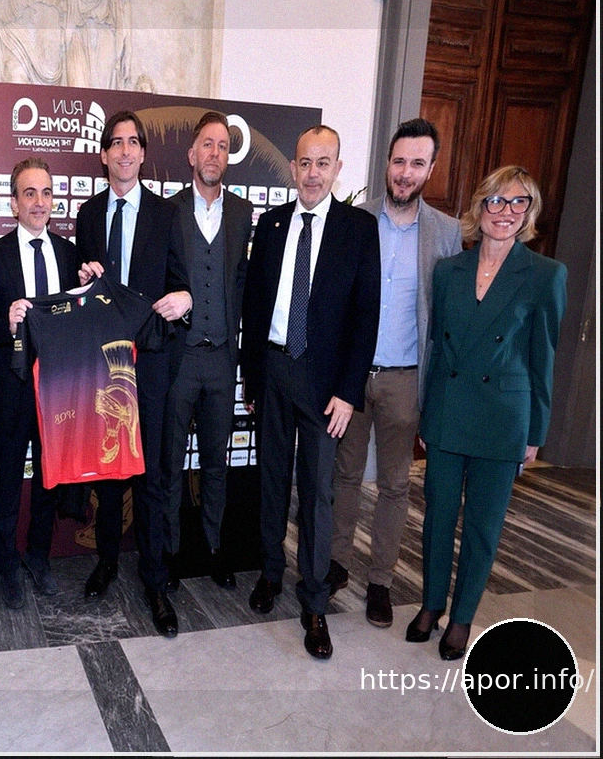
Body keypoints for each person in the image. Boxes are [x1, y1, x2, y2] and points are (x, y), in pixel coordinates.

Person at [409, 165, 566, 661]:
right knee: (437, 514)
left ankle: (461, 617)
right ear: (480, 208)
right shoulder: (448, 270)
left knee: (482, 525)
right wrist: (427, 415)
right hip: (448, 411)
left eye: (518, 202)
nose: (506, 212)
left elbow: (543, 359)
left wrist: (535, 432)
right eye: (497, 201)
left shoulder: (545, 275)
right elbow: (437, 350)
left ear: (529, 212)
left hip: (503, 419)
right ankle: (432, 604)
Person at [242, 125, 380, 659]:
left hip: (326, 387)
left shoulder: (358, 228)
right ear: (293, 168)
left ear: (337, 169)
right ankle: (270, 573)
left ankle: (315, 601)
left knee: (318, 493)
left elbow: (366, 316)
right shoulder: (272, 223)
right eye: (304, 162)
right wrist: (253, 377)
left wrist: (348, 391)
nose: (313, 173)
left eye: (324, 163)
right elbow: (255, 307)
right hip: (274, 370)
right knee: (271, 481)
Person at [329, 118, 461, 628]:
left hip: (406, 378)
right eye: (399, 161)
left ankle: (380, 581)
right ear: (387, 163)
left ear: (431, 169)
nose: (405, 173)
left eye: (417, 164)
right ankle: (336, 563)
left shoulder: (446, 233)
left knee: (394, 485)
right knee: (344, 474)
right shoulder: (355, 220)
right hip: (352, 375)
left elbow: (448, 320)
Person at [75, 110, 191, 637]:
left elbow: (182, 284)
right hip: (103, 364)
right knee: (106, 471)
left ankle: (155, 581)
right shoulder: (88, 213)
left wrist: (185, 299)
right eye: (115, 142)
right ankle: (105, 561)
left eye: (132, 143)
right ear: (104, 155)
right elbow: (81, 292)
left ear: (143, 154)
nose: (124, 151)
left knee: (151, 476)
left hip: (153, 365)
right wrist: (83, 277)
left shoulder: (168, 214)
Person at [162, 112, 254, 590]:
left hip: (221, 358)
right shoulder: (168, 211)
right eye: (207, 144)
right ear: (192, 154)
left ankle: (215, 549)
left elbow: (241, 282)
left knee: (216, 462)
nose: (215, 153)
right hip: (179, 359)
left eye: (222, 146)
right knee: (171, 462)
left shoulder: (242, 212)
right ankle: (170, 553)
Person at [0, 157, 81, 609]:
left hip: (57, 389)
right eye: (29, 193)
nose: (39, 202)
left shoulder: (69, 254)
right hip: (11, 388)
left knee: (48, 481)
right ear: (14, 203)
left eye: (45, 193)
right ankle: (6, 564)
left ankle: (38, 558)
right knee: (8, 482)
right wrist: (6, 323)